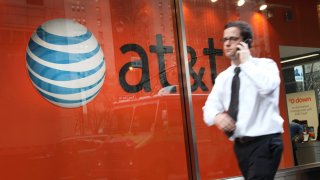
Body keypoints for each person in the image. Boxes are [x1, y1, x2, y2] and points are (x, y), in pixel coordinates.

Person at [203, 21, 284, 180]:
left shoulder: (265, 66)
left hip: (266, 141)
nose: (227, 43)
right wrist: (217, 116)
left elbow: (267, 86)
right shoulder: (224, 77)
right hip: (241, 146)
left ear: (246, 42)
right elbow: (209, 109)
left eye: (233, 39)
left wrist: (246, 63)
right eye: (225, 39)